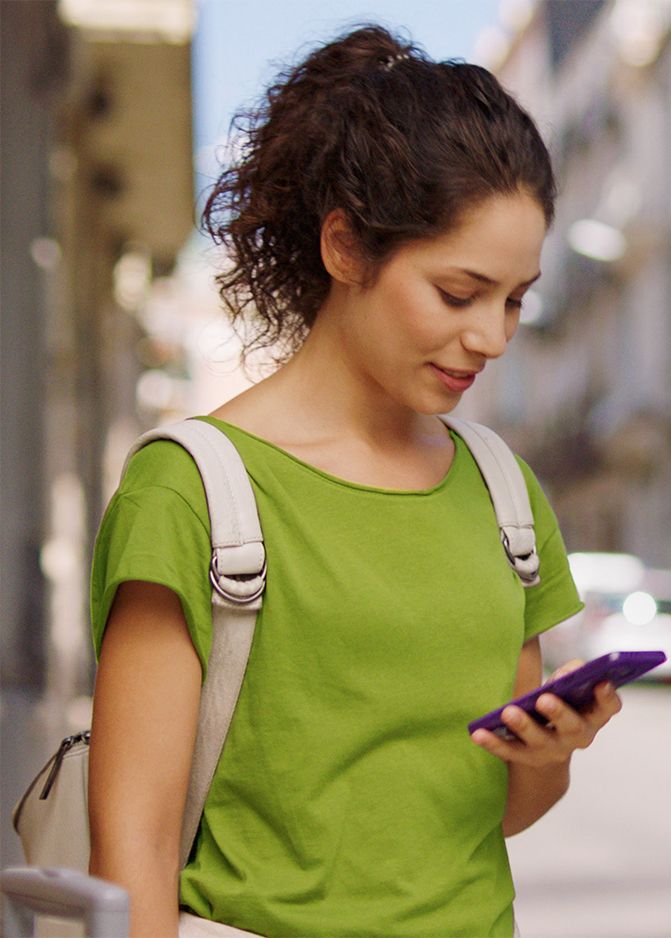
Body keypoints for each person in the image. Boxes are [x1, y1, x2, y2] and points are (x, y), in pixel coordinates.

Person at [86, 26, 618, 937]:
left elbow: (495, 814)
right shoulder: (192, 493)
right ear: (345, 247)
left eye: (516, 298)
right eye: (459, 293)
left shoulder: (503, 493)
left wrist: (552, 754)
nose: (493, 336)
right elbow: (130, 847)